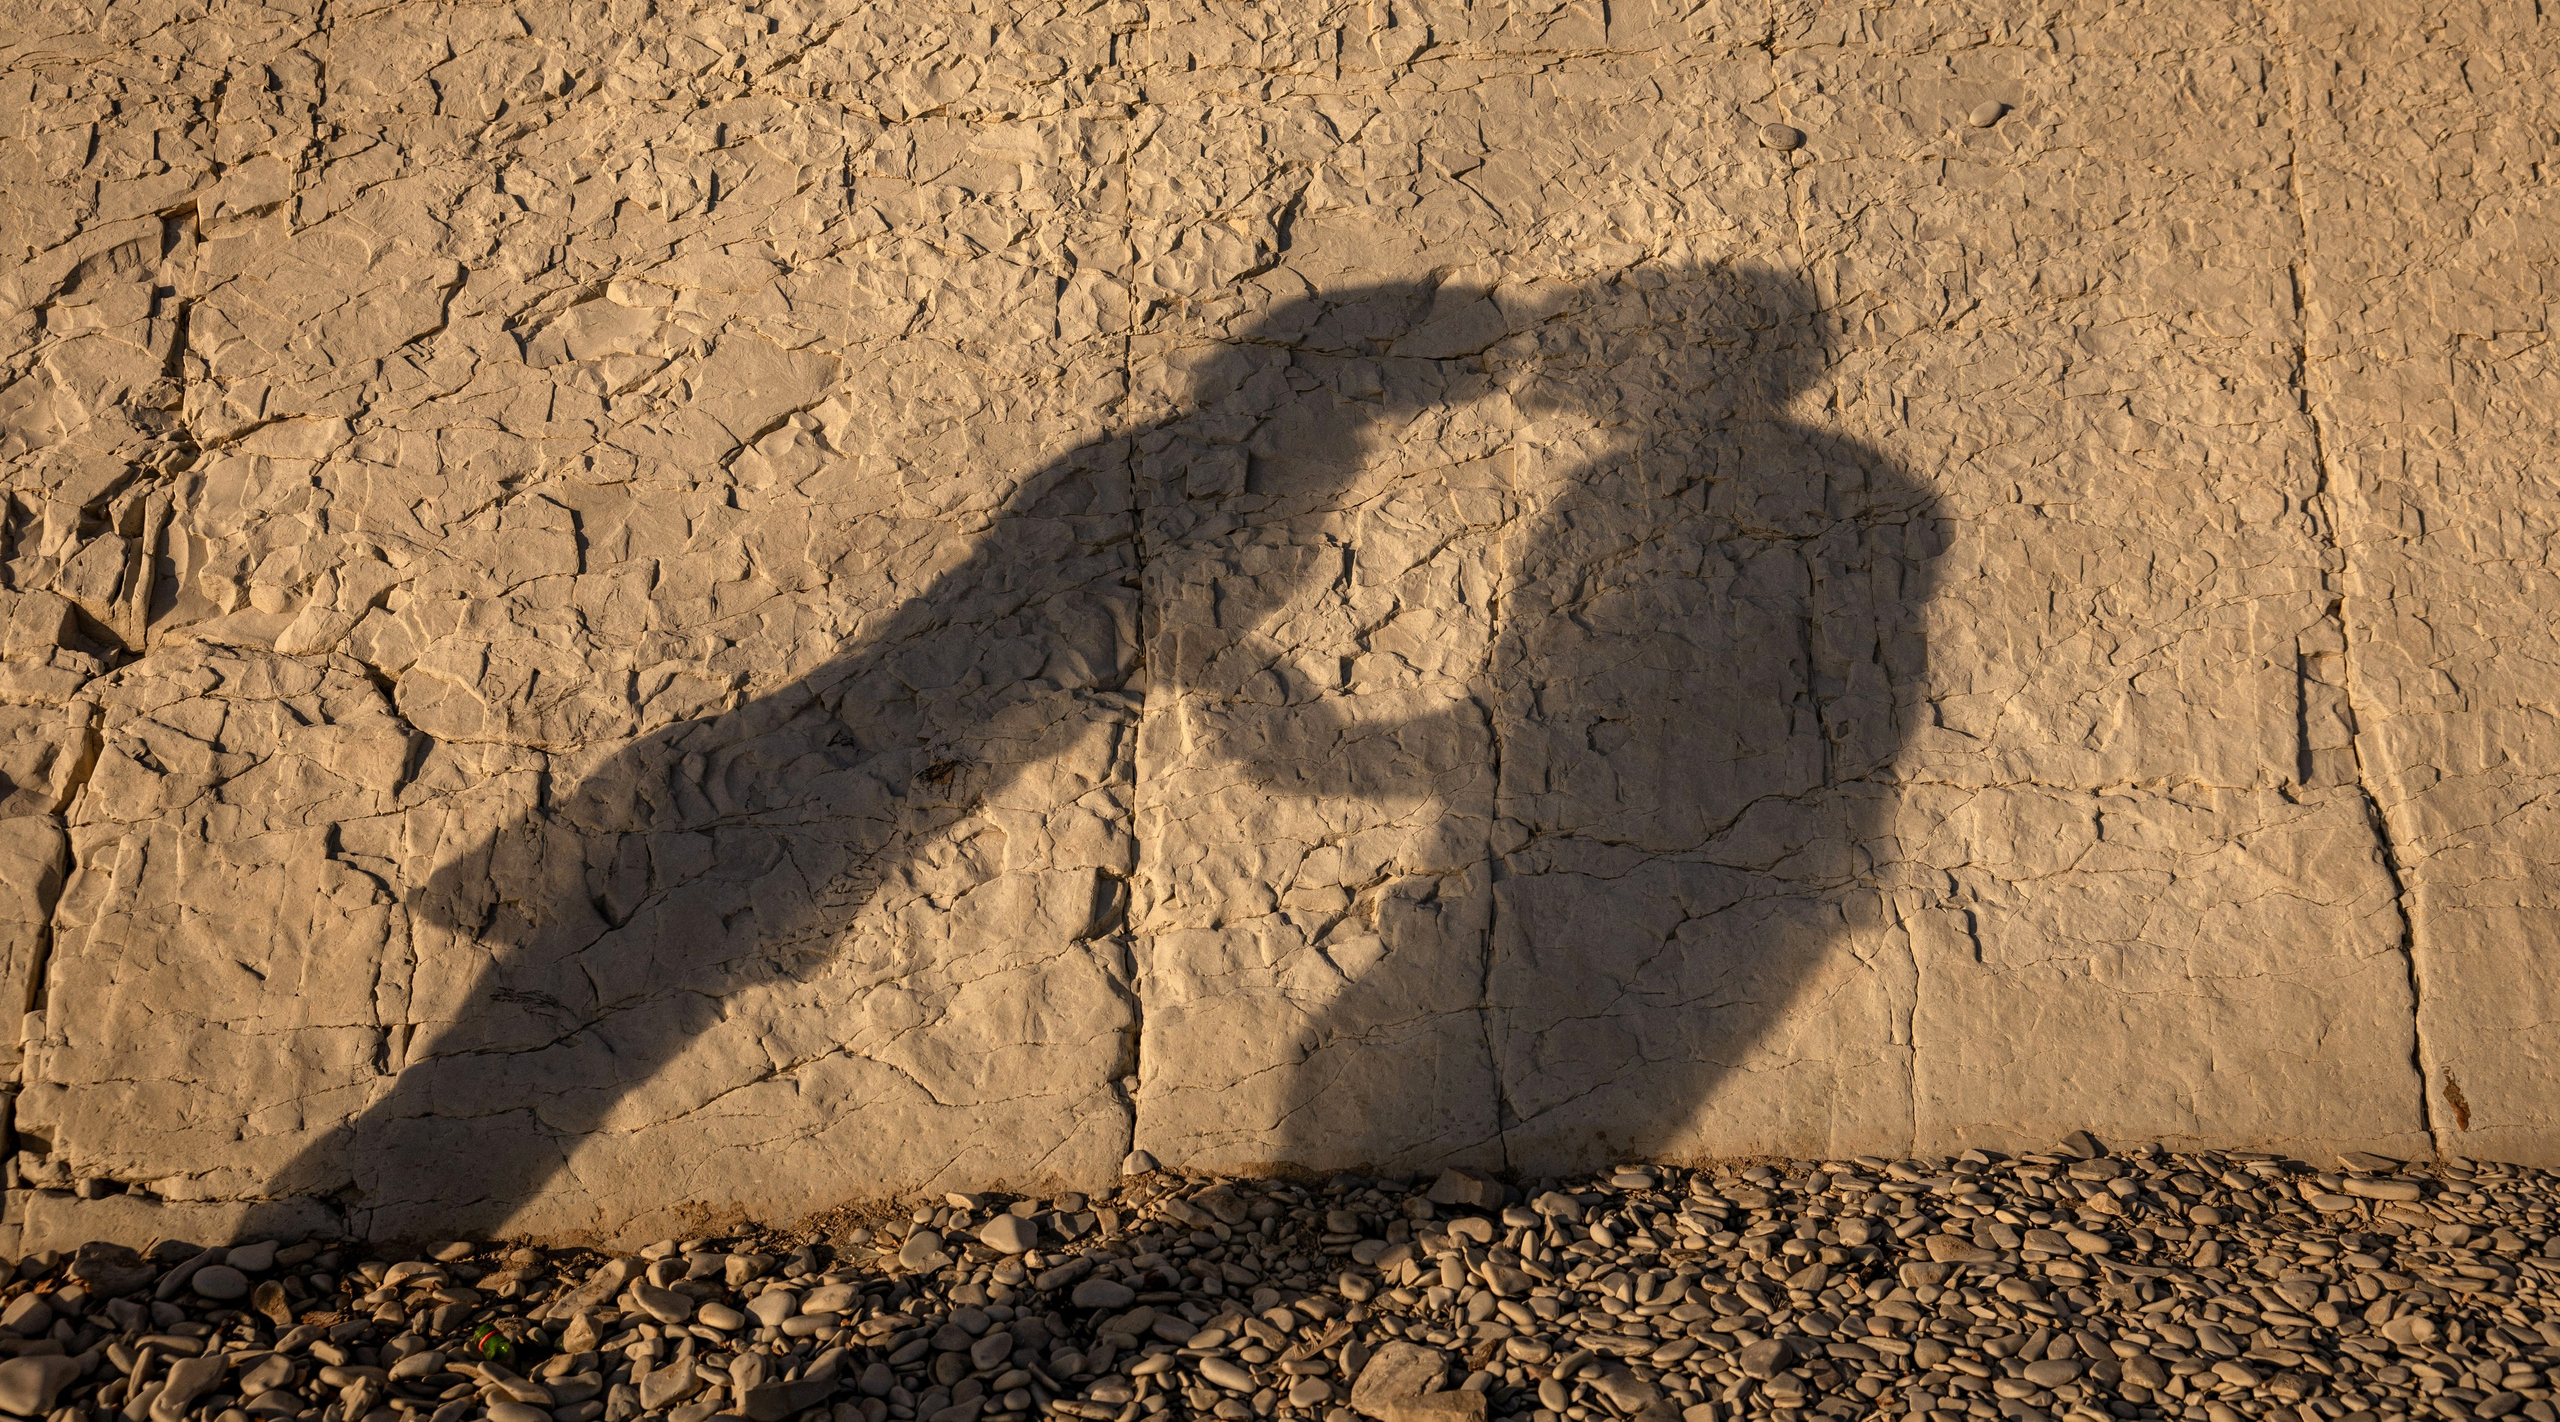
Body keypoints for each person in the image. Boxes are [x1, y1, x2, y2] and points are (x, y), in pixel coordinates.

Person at [280, 266, 1943, 1230]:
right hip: (862, 793)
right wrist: (1269, 703)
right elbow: (1063, 644)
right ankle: (365, 1188)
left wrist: (1306, 730)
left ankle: (375, 1172)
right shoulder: (1264, 479)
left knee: (608, 1000)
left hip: (869, 788)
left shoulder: (1206, 459)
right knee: (616, 1005)